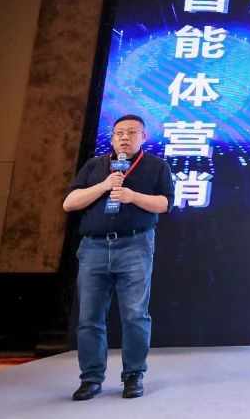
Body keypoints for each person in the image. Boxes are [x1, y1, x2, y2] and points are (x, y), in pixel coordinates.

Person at [62, 114, 175, 401]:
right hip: (94, 247)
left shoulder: (156, 166)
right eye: (119, 132)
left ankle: (133, 375)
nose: (125, 137)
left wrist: (132, 196)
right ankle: (91, 378)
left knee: (135, 315)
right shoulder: (95, 166)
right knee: (89, 317)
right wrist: (104, 185)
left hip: (135, 245)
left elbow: (165, 203)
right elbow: (69, 203)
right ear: (112, 137)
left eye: (132, 132)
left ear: (143, 137)